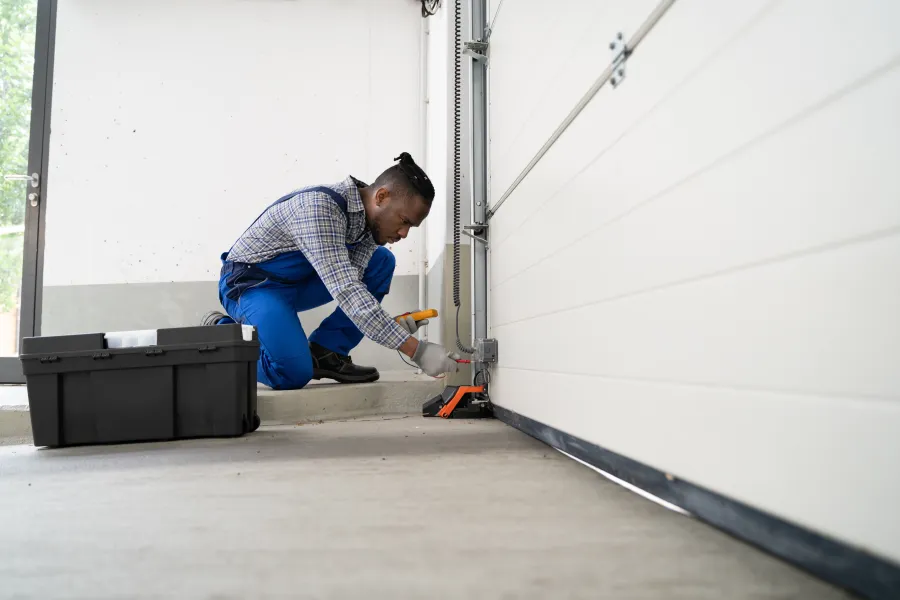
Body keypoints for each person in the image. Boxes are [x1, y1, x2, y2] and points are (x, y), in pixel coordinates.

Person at [202, 153, 460, 390]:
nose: (404, 234)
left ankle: (327, 351)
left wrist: (392, 327)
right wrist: (417, 350)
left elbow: (356, 287)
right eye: (404, 221)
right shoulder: (319, 208)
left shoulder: (369, 225)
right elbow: (347, 292)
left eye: (411, 227)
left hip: (297, 282)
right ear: (381, 197)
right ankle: (223, 334)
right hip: (253, 286)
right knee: (291, 373)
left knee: (381, 261)